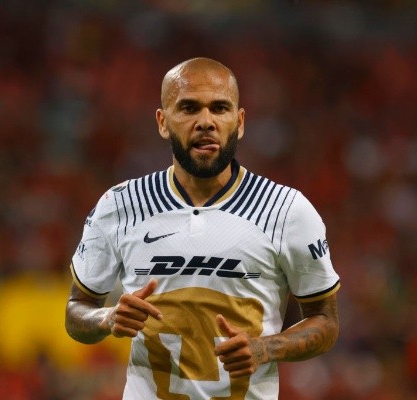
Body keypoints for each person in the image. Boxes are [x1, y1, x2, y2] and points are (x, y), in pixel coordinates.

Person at [65, 57, 340, 400]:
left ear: (239, 122)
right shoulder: (120, 204)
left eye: (220, 108)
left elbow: (326, 321)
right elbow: (76, 312)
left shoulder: (287, 210)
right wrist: (107, 318)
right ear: (163, 122)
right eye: (189, 108)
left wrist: (267, 348)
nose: (206, 122)